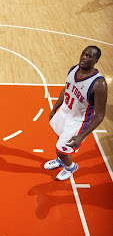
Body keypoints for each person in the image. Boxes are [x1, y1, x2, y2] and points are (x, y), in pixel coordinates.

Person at [44, 46, 107, 181]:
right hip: (65, 112)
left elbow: (100, 115)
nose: (84, 57)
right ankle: (61, 160)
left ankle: (70, 167)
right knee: (60, 138)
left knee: (61, 149)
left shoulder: (99, 83)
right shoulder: (73, 69)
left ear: (96, 60)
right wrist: (55, 108)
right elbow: (66, 89)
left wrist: (81, 136)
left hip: (78, 121)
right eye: (84, 54)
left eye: (89, 56)